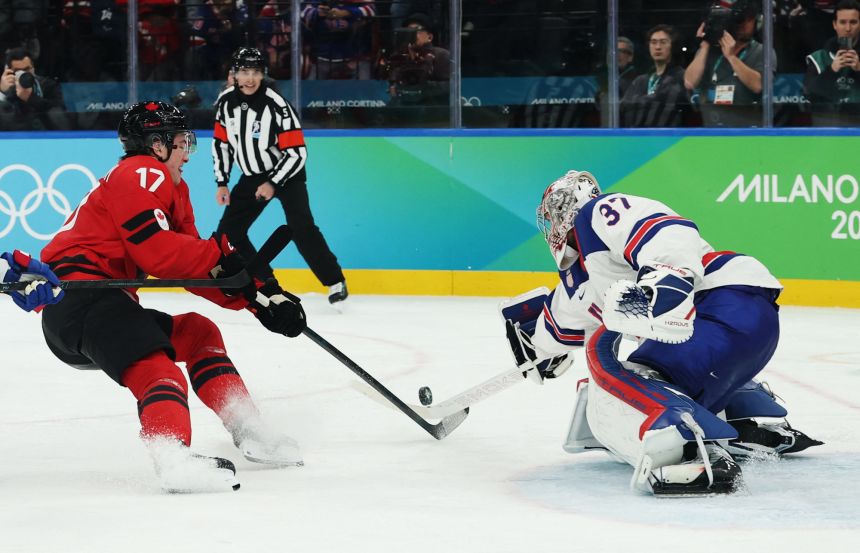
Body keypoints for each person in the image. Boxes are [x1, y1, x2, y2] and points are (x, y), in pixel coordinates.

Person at [39, 101, 308, 493]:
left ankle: (249, 428)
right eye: (182, 143)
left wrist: (262, 298)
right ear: (157, 144)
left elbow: (193, 265)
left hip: (97, 306)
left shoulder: (173, 189)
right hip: (83, 298)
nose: (187, 153)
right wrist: (225, 263)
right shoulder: (142, 171)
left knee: (197, 333)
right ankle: (172, 457)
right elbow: (157, 252)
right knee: (158, 367)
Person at [502, 170, 822, 495]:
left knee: (636, 376)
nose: (552, 227)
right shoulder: (585, 279)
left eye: (552, 217)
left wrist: (665, 282)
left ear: (565, 211)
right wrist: (535, 347)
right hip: (738, 328)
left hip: (722, 303)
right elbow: (559, 323)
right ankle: (741, 424)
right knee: (659, 372)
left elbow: (668, 231)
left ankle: (692, 451)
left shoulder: (595, 215)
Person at [213, 47, 348, 305]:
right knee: (229, 235)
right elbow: (221, 144)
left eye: (255, 72)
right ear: (234, 74)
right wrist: (222, 181)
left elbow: (297, 152)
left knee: (301, 227)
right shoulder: (225, 102)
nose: (250, 78)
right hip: (252, 175)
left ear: (263, 74)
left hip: (287, 174)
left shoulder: (277, 105)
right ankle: (266, 281)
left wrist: (273, 182)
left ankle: (334, 280)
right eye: (244, 72)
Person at [684, 0, 774, 127]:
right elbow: (689, 82)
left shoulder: (762, 51)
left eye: (748, 20)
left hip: (747, 128)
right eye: (739, 20)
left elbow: (758, 85)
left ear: (757, 22)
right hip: (712, 127)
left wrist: (731, 57)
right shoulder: (709, 51)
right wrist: (705, 45)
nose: (742, 25)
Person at [620, 24, 690, 127]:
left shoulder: (681, 77)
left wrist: (639, 101)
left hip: (669, 135)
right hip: (637, 135)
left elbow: (665, 101)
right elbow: (624, 105)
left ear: (673, 46)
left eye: (663, 42)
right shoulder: (641, 80)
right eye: (653, 42)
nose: (657, 47)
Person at [803, 0, 860, 125]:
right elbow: (809, 97)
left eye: (853, 22)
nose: (848, 28)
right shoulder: (818, 58)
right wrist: (832, 70)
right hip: (827, 128)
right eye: (843, 22)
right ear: (834, 24)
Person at [385, 12, 450, 107]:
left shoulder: (441, 55)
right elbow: (393, 83)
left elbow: (451, 86)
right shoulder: (399, 56)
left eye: (417, 30)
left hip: (433, 109)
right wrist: (395, 88)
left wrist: (422, 87)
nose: (412, 35)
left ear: (430, 37)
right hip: (404, 108)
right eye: (408, 31)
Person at [0, 47, 68, 130]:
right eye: (18, 71)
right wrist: (3, 93)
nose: (23, 74)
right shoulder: (6, 88)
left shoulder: (48, 86)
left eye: (26, 69)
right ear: (9, 71)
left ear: (33, 68)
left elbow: (61, 118)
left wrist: (30, 98)